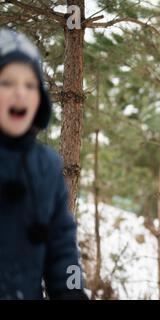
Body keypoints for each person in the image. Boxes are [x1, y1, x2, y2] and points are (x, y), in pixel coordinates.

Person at [0, 29, 88, 300]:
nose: (20, 93)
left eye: (30, 85)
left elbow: (63, 249)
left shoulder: (47, 166)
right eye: (6, 83)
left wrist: (72, 293)